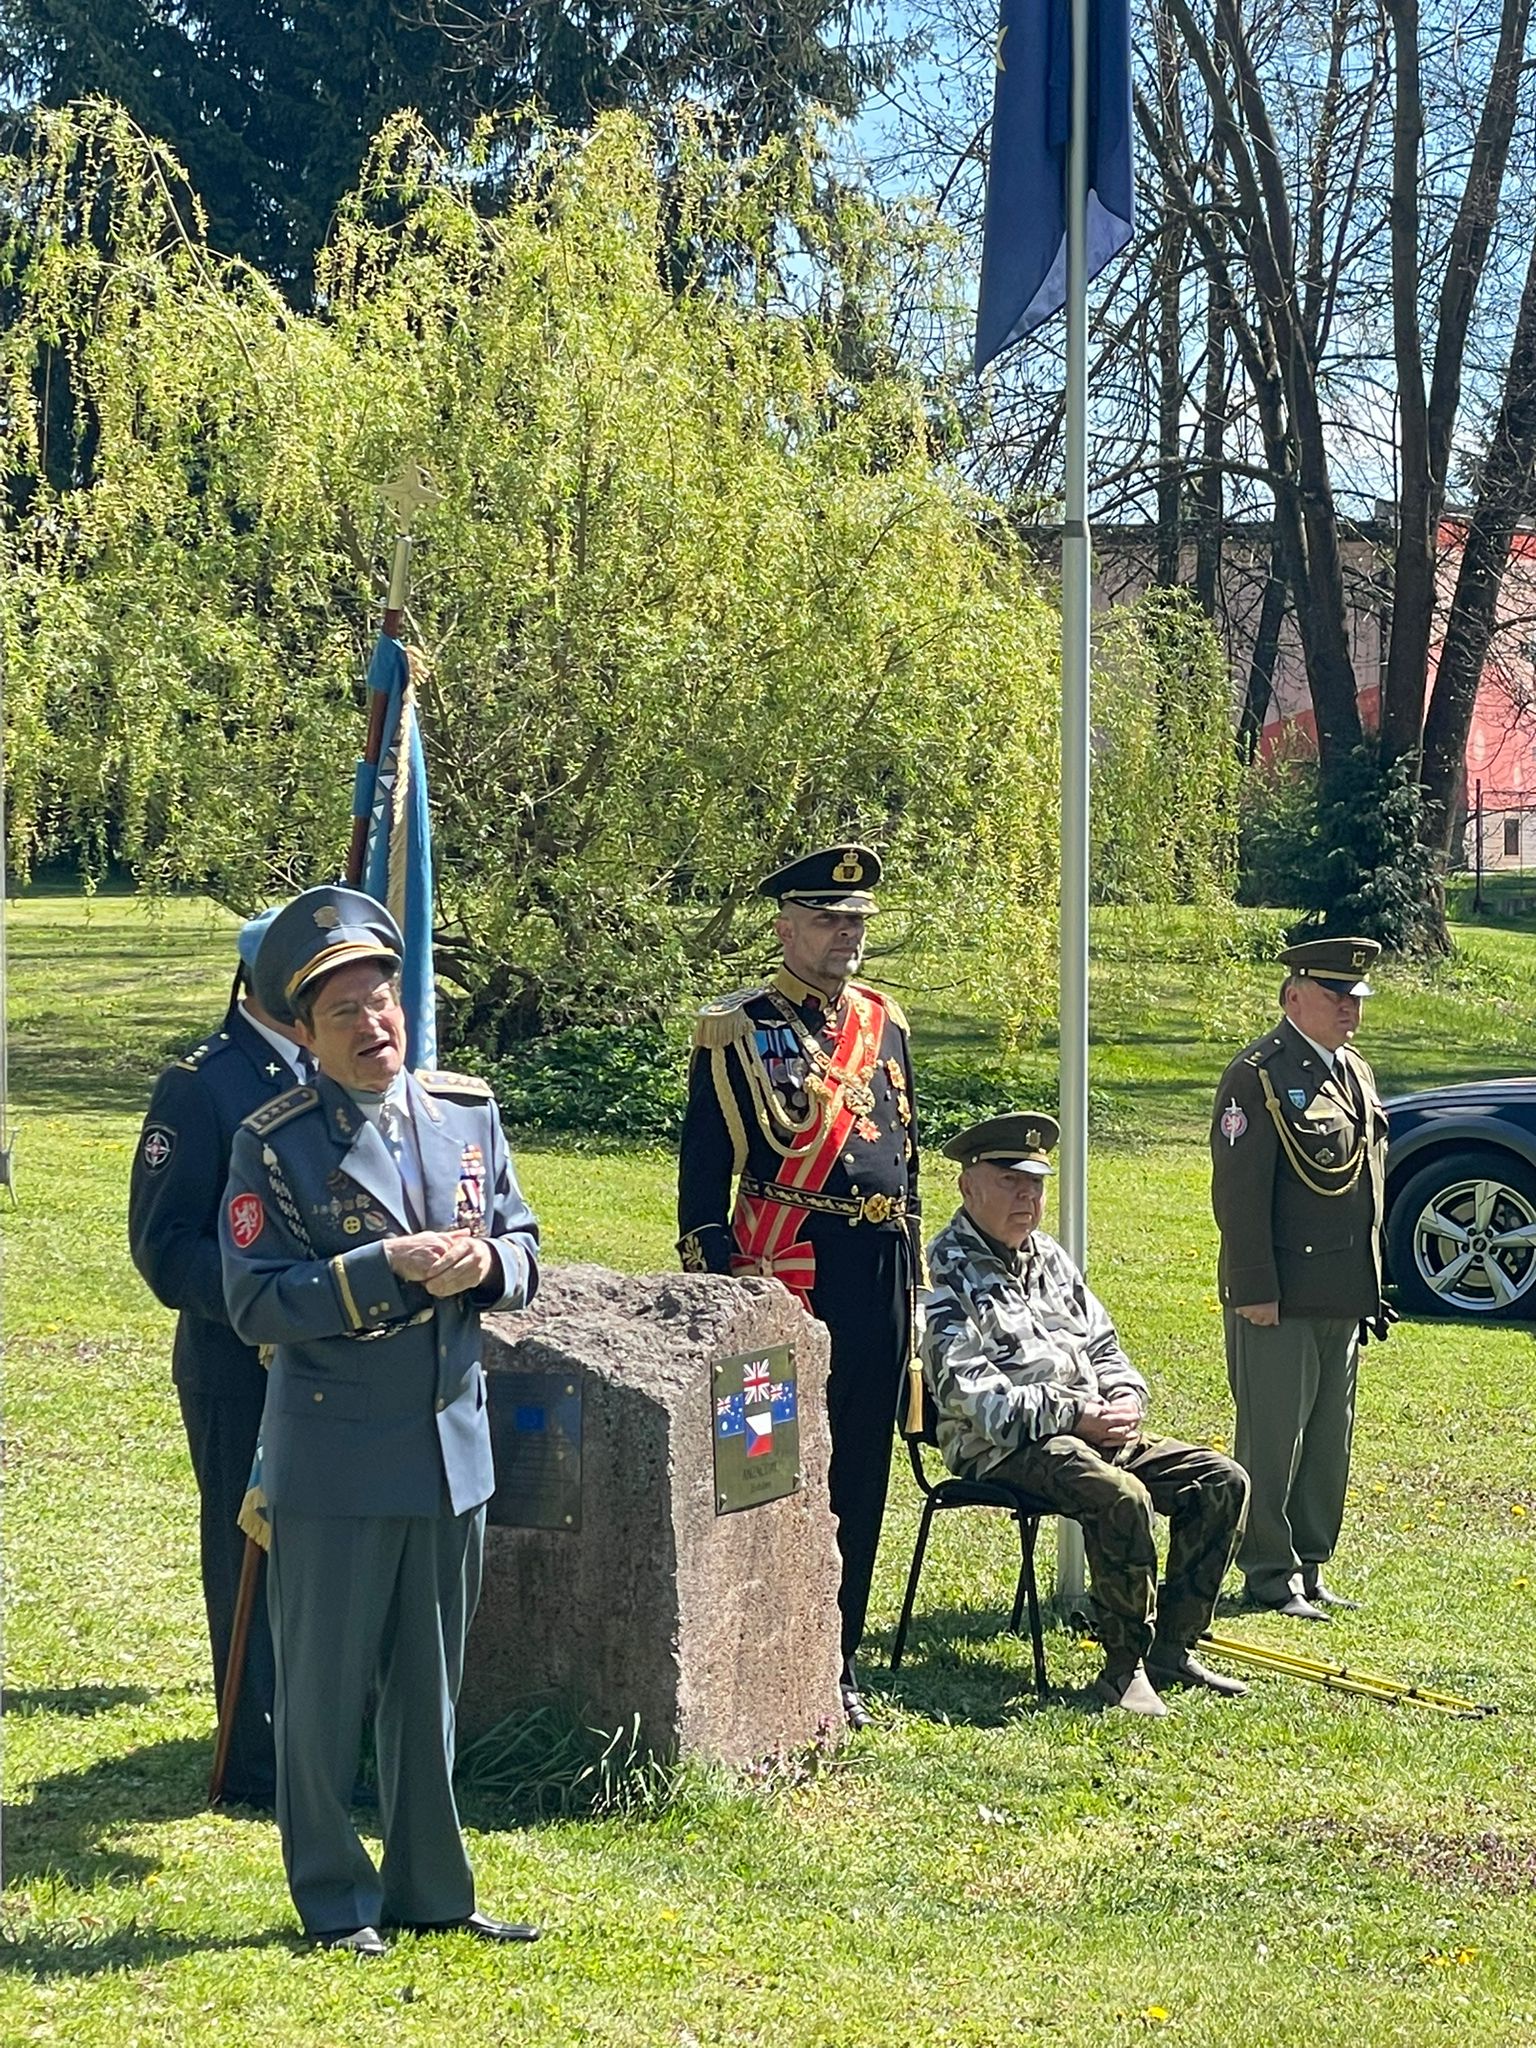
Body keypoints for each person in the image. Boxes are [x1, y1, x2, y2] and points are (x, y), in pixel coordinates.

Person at [220, 885, 541, 1954]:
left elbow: (524, 1242)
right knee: (323, 1693)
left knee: (429, 1689)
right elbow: (255, 1299)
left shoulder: (466, 1113)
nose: (373, 1026)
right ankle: (334, 1897)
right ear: (305, 1035)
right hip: (336, 1455)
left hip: (452, 1449)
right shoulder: (275, 1143)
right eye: (343, 1012)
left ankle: (432, 1888)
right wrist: (381, 1267)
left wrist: (486, 1261)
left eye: (382, 1001)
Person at [677, 845, 921, 1729]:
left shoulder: (885, 1021)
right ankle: (751, 1655)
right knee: (764, 1466)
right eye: (827, 920)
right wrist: (725, 1296)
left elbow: (907, 1160)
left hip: (878, 1271)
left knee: (859, 1470)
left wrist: (916, 1284)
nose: (846, 935)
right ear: (785, 929)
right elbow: (703, 1185)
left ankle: (836, 1659)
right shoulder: (739, 1029)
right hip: (787, 1268)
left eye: (855, 921)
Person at [921, 1113, 1250, 1716]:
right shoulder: (941, 1270)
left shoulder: (1048, 1257)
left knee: (1221, 1481)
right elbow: (979, 1402)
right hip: (1003, 1447)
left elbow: (1104, 1346)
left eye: (1036, 1183)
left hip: (1089, 1430)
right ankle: (1123, 1669)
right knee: (1120, 1496)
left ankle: (1173, 1648)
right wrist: (1074, 1415)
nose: (1027, 1196)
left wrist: (1126, 1397)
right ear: (968, 1186)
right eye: (1009, 1180)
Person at [128, 906, 304, 1810]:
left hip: (339, 1369)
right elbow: (166, 1248)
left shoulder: (342, 1074)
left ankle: (328, 1738)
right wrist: (268, 1305)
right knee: (250, 1560)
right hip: (241, 1366)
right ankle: (255, 1757)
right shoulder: (202, 1086)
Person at [1211, 936, 1389, 1620]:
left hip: (1340, 1290)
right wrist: (1254, 1287)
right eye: (1334, 995)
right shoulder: (1256, 1076)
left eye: (1355, 997)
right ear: (1293, 997)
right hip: (1279, 1294)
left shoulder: (1355, 1072)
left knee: (1327, 1439)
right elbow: (1239, 1194)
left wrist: (1371, 1283)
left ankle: (1310, 1563)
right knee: (1272, 1437)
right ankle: (1268, 1572)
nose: (1349, 1008)